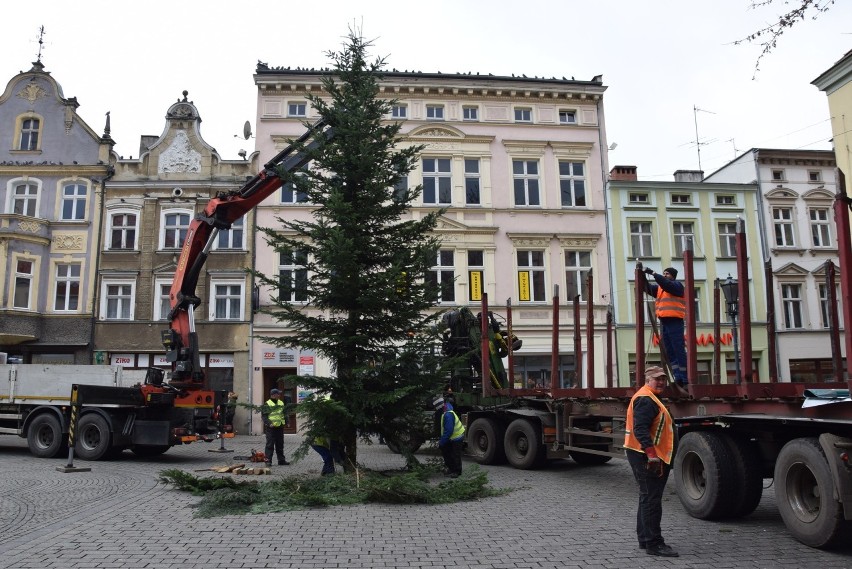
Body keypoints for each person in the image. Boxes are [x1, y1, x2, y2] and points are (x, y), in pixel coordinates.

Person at [624, 365, 679, 557]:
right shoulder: (646, 399)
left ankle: (645, 539)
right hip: (646, 456)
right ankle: (653, 543)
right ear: (648, 380)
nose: (661, 382)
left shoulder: (650, 396)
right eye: (657, 379)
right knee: (651, 499)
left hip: (644, 454)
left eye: (663, 378)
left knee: (647, 497)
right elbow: (640, 430)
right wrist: (652, 455)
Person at [643, 266, 688, 387]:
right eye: (664, 273)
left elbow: (666, 284)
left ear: (673, 276)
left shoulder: (677, 286)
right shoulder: (660, 288)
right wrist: (642, 276)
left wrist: (653, 273)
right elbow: (647, 288)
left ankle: (685, 377)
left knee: (678, 349)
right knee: (669, 351)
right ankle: (677, 376)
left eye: (667, 274)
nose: (664, 275)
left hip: (675, 321)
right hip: (664, 322)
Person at [435, 396, 465, 478]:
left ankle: (456, 472)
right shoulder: (446, 411)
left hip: (456, 437)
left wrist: (442, 442)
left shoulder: (448, 414)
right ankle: (452, 469)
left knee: (455, 455)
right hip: (453, 437)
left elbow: (448, 431)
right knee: (449, 453)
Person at [261, 388, 289, 466]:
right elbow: (264, 416)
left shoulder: (281, 402)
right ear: (273, 395)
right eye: (278, 394)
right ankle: (268, 461)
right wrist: (269, 423)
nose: (279, 395)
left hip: (280, 426)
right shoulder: (267, 404)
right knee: (270, 445)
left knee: (280, 444)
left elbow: (284, 413)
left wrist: (287, 422)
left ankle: (281, 460)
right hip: (271, 428)